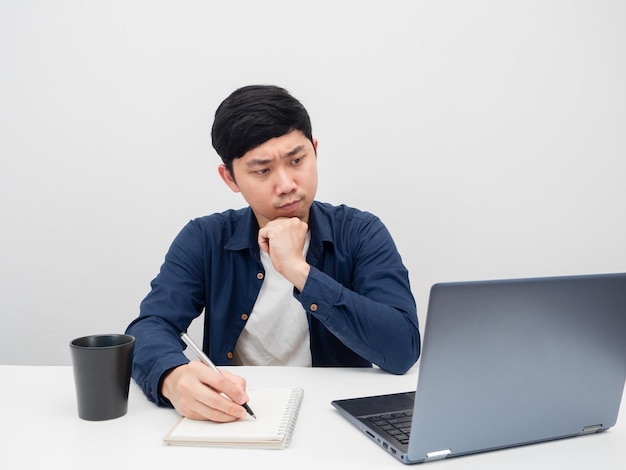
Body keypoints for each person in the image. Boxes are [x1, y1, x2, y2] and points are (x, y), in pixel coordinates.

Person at [126, 84, 420, 422]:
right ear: (230, 178)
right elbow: (150, 327)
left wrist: (298, 269)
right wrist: (172, 378)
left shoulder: (360, 232)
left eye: (297, 160)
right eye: (262, 170)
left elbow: (402, 350)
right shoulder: (205, 238)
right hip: (239, 416)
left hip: (339, 418)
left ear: (315, 150)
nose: (286, 184)